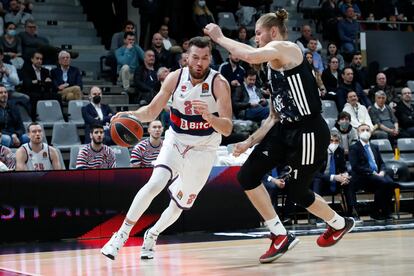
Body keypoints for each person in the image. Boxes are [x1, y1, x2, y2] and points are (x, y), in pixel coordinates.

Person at [204, 9, 355, 264]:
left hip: (309, 131)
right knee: (247, 175)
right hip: (284, 128)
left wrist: (219, 37)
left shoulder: (287, 49)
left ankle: (339, 223)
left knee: (298, 192)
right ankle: (280, 234)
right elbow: (274, 116)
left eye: (258, 33)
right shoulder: (272, 70)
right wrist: (249, 141)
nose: (255, 38)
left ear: (273, 32)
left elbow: (249, 54)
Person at [101, 36, 232, 260]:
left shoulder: (219, 83)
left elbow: (228, 128)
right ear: (187, 58)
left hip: (204, 148)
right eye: (195, 57)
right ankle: (121, 235)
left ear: (210, 58)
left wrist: (209, 116)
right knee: (155, 183)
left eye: (205, 58)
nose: (199, 63)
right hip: (176, 141)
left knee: (180, 203)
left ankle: (152, 235)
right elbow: (151, 111)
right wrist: (130, 115)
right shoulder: (175, 78)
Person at [349, 124, 396, 220]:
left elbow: (382, 163)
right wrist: (372, 172)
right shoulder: (354, 147)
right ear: (358, 133)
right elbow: (355, 166)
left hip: (378, 174)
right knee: (383, 183)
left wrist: (382, 171)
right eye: (362, 130)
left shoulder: (375, 146)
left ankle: (385, 211)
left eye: (367, 130)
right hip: (364, 176)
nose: (365, 132)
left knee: (391, 183)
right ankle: (375, 211)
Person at [311, 132, 355, 217]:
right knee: (317, 181)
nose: (333, 143)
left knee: (349, 181)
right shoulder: (318, 152)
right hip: (322, 181)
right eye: (331, 141)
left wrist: (345, 175)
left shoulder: (340, 150)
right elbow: (315, 173)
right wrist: (334, 177)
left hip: (336, 182)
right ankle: (316, 215)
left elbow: (343, 168)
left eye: (336, 141)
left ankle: (351, 211)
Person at [21, 51, 56, 120]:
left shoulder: (45, 71)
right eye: (37, 58)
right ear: (32, 59)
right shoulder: (26, 69)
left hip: (43, 91)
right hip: (30, 92)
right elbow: (28, 84)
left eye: (41, 59)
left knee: (57, 96)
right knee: (35, 96)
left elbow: (50, 84)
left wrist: (37, 82)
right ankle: (33, 118)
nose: (39, 61)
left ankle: (59, 116)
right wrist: (43, 82)